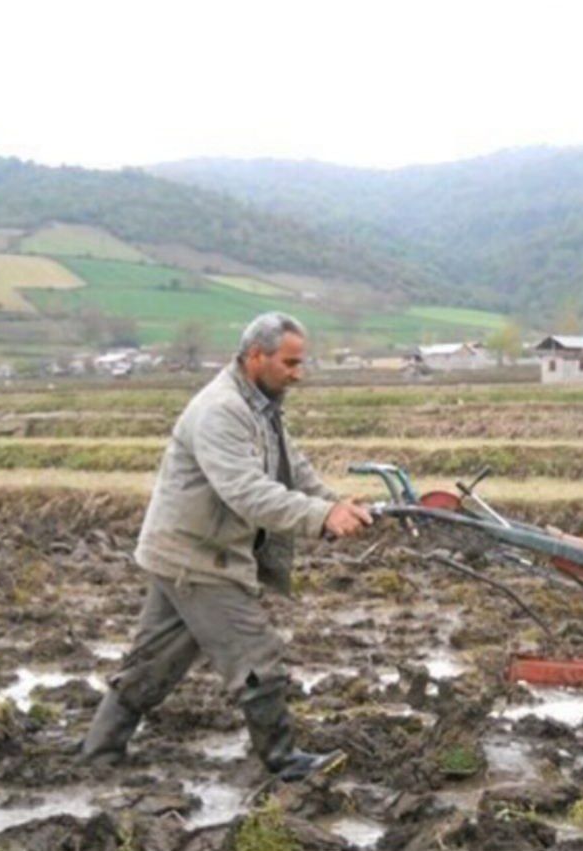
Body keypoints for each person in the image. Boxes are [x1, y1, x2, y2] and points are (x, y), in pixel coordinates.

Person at [80, 312, 373, 781]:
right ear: (256, 356)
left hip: (186, 553)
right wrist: (321, 518)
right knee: (257, 657)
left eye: (301, 363)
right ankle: (282, 762)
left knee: (152, 664)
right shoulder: (221, 410)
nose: (299, 373)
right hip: (198, 559)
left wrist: (335, 504)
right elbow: (247, 491)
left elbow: (292, 470)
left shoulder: (260, 406)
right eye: (290, 363)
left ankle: (97, 753)